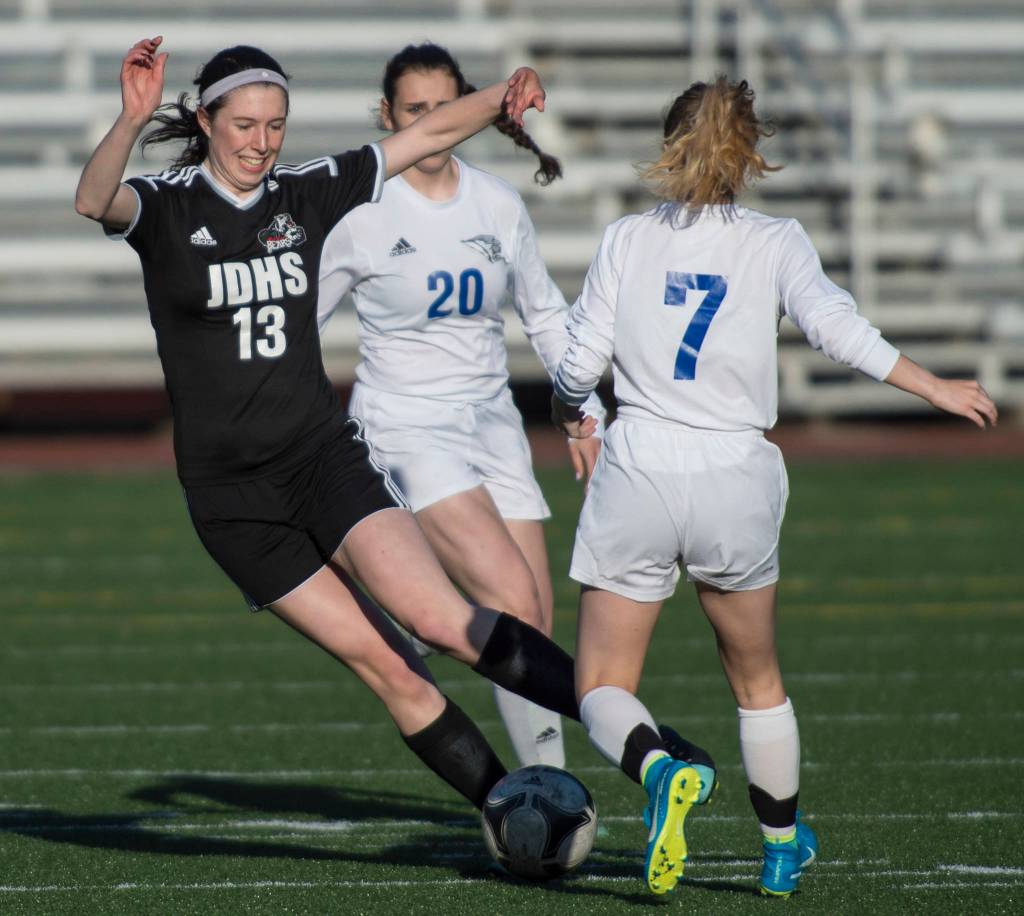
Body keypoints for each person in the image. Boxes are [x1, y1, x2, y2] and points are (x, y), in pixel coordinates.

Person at [74, 35, 587, 815]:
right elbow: (93, 199)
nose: (261, 142)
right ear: (208, 121)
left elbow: (424, 135)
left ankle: (634, 740)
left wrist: (502, 94)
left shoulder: (305, 193)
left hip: (320, 458)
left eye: (275, 125)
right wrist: (130, 118)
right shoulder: (168, 205)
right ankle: (505, 807)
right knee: (389, 666)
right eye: (244, 124)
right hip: (233, 500)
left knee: (440, 620)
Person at [550, 76, 998, 896]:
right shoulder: (775, 239)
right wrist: (937, 388)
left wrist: (569, 412)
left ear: (668, 142)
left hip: (640, 466)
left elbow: (577, 368)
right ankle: (781, 849)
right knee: (756, 678)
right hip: (734, 473)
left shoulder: (626, 238)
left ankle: (657, 773)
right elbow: (838, 329)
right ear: (749, 154)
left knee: (604, 686)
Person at [316, 42, 605, 769]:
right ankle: (545, 792)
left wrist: (583, 406)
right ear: (388, 116)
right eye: (415, 110)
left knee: (535, 617)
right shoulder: (361, 210)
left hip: (492, 422)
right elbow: (296, 326)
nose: (432, 122)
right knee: (508, 595)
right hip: (405, 425)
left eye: (444, 106)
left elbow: (543, 315)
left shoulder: (497, 204)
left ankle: (547, 790)